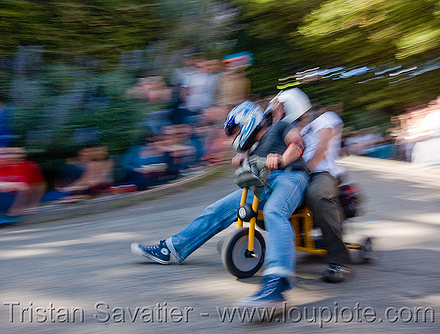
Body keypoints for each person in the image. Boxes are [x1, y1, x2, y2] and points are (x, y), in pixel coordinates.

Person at [132, 95, 311, 308]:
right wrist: (245, 160)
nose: (234, 137)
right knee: (218, 208)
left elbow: (297, 143)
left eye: (235, 131)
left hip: (290, 177)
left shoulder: (280, 126)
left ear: (248, 121)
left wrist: (282, 158)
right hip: (263, 183)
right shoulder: (253, 148)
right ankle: (170, 249)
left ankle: (276, 284)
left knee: (274, 211)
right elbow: (254, 164)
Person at [295, 102, 351, 283]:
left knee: (317, 195)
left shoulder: (324, 119)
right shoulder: (295, 130)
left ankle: (338, 261)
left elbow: (322, 148)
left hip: (322, 172)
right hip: (299, 172)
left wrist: (306, 169)